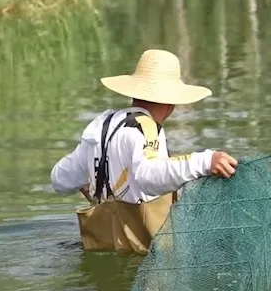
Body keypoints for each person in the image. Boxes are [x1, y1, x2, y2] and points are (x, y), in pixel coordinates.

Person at [50, 49, 239, 254]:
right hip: (144, 258)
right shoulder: (146, 127)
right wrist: (205, 161)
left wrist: (91, 181)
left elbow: (59, 180)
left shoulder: (100, 128)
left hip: (104, 250)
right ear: (171, 103)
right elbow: (148, 176)